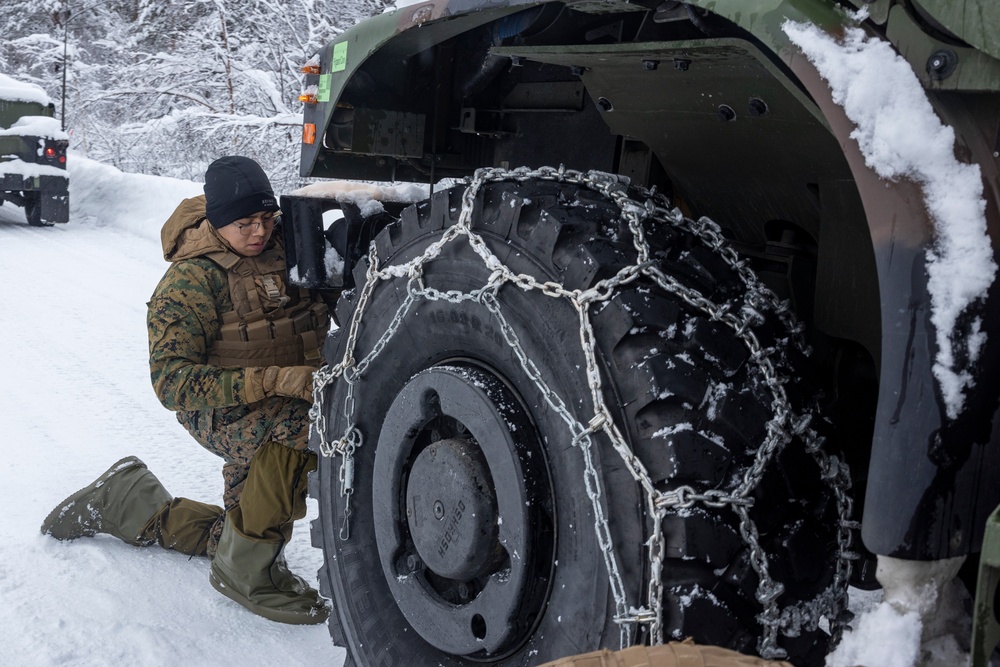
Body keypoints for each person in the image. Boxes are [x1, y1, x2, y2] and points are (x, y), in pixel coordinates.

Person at [40, 156, 331, 625]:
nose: (259, 232)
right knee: (307, 432)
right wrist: (274, 379)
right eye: (244, 223)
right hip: (220, 409)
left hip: (286, 395)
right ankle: (247, 576)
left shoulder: (288, 247)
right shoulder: (191, 280)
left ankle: (126, 502)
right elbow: (172, 383)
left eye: (266, 218)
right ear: (217, 222)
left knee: (238, 531)